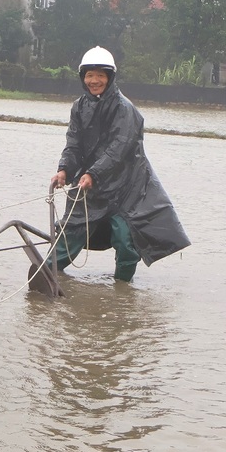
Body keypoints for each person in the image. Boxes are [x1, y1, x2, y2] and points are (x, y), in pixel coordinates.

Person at [46, 46, 190, 282]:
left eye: (100, 75)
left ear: (110, 77)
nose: (94, 81)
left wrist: (93, 173)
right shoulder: (79, 107)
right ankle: (49, 273)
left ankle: (123, 286)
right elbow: (74, 144)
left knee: (124, 238)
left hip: (126, 187)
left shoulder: (124, 109)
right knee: (71, 232)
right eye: (89, 75)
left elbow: (119, 149)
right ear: (82, 77)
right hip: (91, 186)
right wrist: (64, 170)